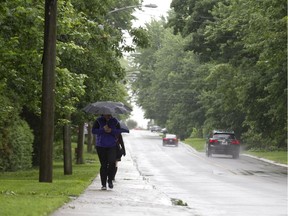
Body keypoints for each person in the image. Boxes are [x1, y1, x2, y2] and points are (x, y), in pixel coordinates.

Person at [92, 114, 122, 190]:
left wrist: (111, 130)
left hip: (112, 145)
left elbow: (119, 131)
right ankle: (103, 184)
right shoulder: (98, 120)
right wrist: (103, 130)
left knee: (112, 163)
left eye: (109, 114)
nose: (108, 115)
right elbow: (93, 130)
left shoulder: (115, 121)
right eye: (106, 114)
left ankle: (110, 180)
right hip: (101, 146)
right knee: (104, 165)